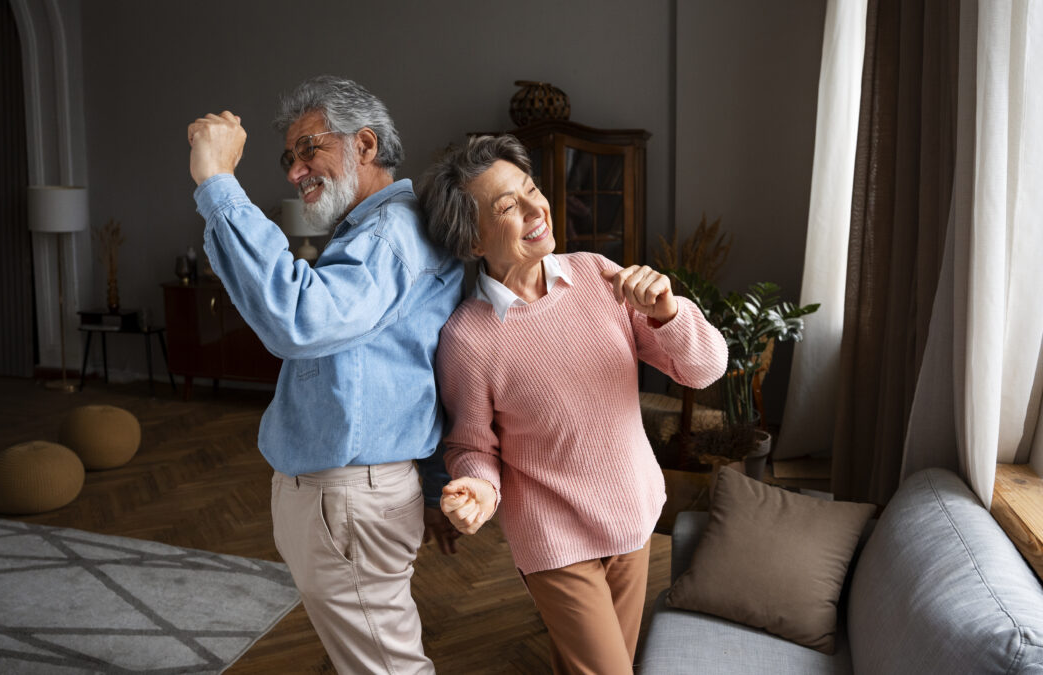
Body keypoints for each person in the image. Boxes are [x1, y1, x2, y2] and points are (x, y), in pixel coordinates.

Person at [418, 135, 728, 674]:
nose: (537, 208)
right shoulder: (468, 339)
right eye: (508, 207)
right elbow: (472, 445)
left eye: (531, 189)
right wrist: (477, 487)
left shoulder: (595, 274)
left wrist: (667, 312)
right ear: (472, 242)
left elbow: (703, 370)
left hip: (633, 517)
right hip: (555, 539)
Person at [186, 75, 463, 674]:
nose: (294, 170)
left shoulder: (390, 235)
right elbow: (431, 368)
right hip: (350, 495)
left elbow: (299, 320)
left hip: (348, 498)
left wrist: (217, 182)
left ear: (364, 146)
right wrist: (439, 483)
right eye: (289, 157)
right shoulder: (381, 231)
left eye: (309, 147)